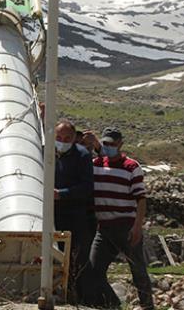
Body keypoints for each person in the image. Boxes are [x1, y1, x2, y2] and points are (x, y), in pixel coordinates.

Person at [85, 127, 154, 310]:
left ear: (120, 144)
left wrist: (137, 227)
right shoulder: (96, 165)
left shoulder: (131, 167)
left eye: (112, 144)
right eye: (105, 144)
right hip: (104, 228)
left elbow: (140, 199)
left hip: (126, 227)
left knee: (138, 271)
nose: (108, 147)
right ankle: (113, 304)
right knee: (94, 269)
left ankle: (148, 305)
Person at [54, 119, 94, 303]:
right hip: (53, 215)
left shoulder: (82, 156)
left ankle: (77, 298)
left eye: (66, 138)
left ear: (73, 138)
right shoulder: (49, 154)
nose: (62, 141)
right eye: (58, 137)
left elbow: (86, 187)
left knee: (76, 258)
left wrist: (62, 194)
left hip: (75, 216)